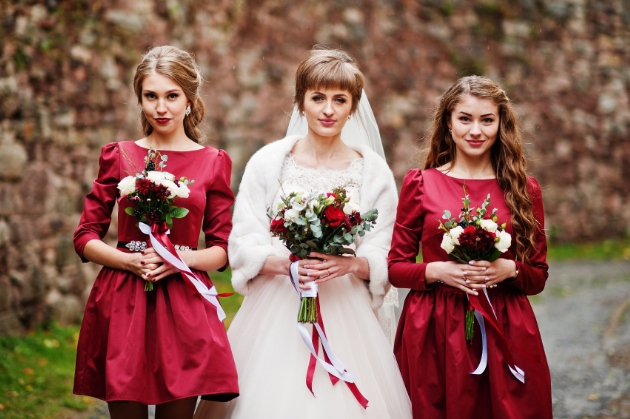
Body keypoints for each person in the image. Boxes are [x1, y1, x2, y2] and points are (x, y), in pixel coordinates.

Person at [194, 47, 412, 419]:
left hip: (345, 308)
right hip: (276, 303)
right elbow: (244, 237)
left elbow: (385, 250)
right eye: (318, 98)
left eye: (339, 99)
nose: (328, 109)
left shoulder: (372, 171)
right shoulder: (268, 161)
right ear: (301, 102)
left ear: (353, 106)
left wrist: (349, 265)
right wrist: (283, 264)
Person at [73, 46, 238, 419]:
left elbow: (221, 250)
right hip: (124, 298)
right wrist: (128, 261)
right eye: (151, 96)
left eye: (171, 96)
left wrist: (179, 258)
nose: (160, 107)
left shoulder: (213, 162)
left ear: (190, 100)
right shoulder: (119, 155)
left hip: (184, 301)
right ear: (140, 98)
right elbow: (85, 236)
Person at [388, 75, 552, 418]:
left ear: (500, 124)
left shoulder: (524, 190)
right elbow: (397, 268)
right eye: (465, 118)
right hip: (433, 328)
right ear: (448, 122)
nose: (475, 130)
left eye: (486, 120)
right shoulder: (420, 184)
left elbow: (537, 276)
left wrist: (510, 269)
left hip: (504, 321)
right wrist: (437, 271)